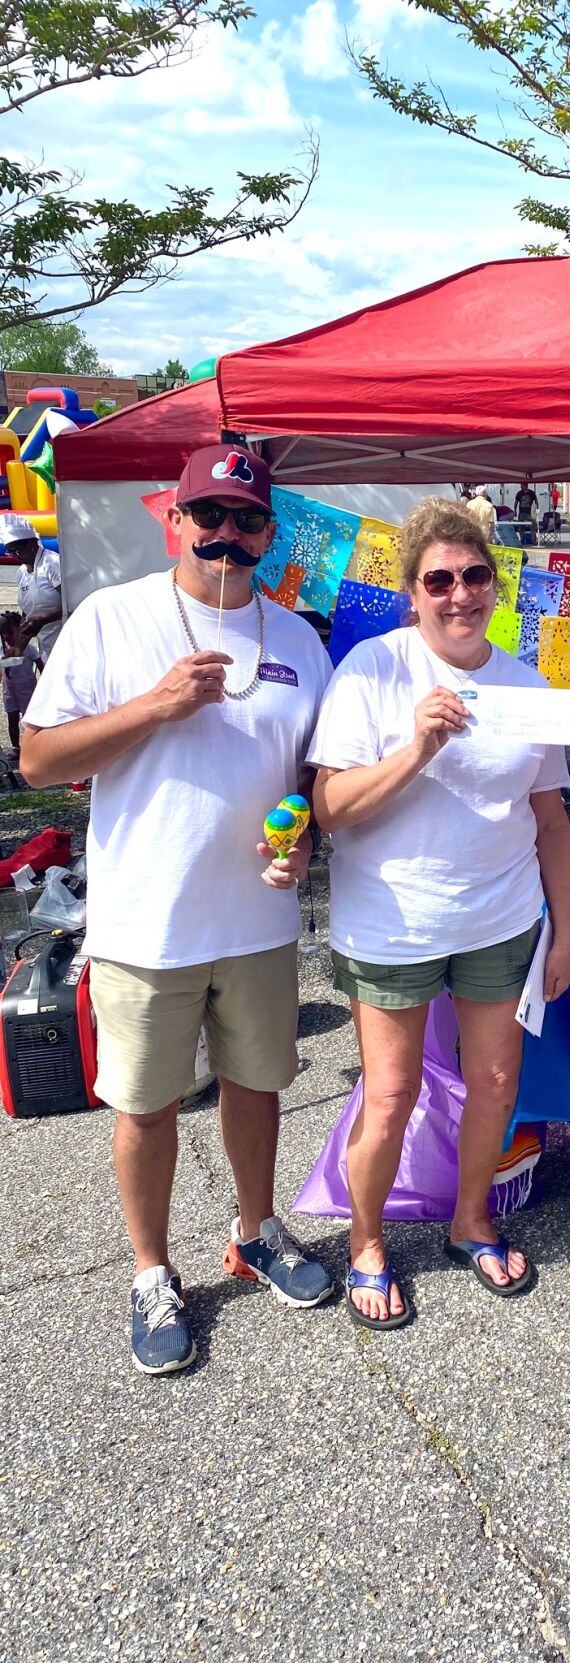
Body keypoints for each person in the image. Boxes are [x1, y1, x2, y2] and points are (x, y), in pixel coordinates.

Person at [20, 444, 334, 1376]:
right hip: (147, 920)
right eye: (210, 517)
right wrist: (155, 706)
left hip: (259, 921)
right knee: (148, 1105)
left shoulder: (299, 640)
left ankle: (256, 1230)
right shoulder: (112, 619)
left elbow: (310, 781)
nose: (226, 536)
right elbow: (39, 759)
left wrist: (305, 842)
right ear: (176, 520)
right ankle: (152, 1270)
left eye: (246, 520)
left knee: (257, 1086)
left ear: (269, 534)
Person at [310, 500, 570, 1328]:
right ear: (412, 592)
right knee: (389, 1094)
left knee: (496, 1081)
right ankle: (364, 1242)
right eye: (439, 580)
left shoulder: (527, 683)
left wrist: (562, 924)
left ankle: (470, 1220)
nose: (459, 594)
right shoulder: (372, 671)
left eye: (474, 576)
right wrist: (415, 747)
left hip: (499, 918)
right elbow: (330, 808)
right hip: (392, 925)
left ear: (495, 583)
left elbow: (549, 817)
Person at [2, 516, 63, 664]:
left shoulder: (52, 564)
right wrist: (18, 648)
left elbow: (75, 602)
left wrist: (45, 619)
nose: (15, 557)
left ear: (31, 544)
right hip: (46, 643)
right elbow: (28, 615)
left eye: (16, 551)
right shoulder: (22, 572)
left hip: (66, 639)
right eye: (10, 553)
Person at [0, 609, 39, 752]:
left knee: (28, 721)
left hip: (27, 690)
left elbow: (41, 665)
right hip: (9, 691)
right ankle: (16, 747)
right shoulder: (2, 649)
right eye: (3, 634)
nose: (6, 636)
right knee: (12, 719)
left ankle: (30, 748)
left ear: (20, 629)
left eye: (9, 632)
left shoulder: (29, 649)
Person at [514, 481, 539, 547]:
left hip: (530, 513)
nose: (520, 487)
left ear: (525, 486)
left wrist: (537, 509)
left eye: (521, 485)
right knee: (521, 527)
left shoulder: (531, 493)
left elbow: (536, 501)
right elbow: (516, 502)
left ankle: (534, 541)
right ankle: (522, 541)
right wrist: (515, 511)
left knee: (533, 526)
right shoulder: (519, 493)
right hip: (521, 513)